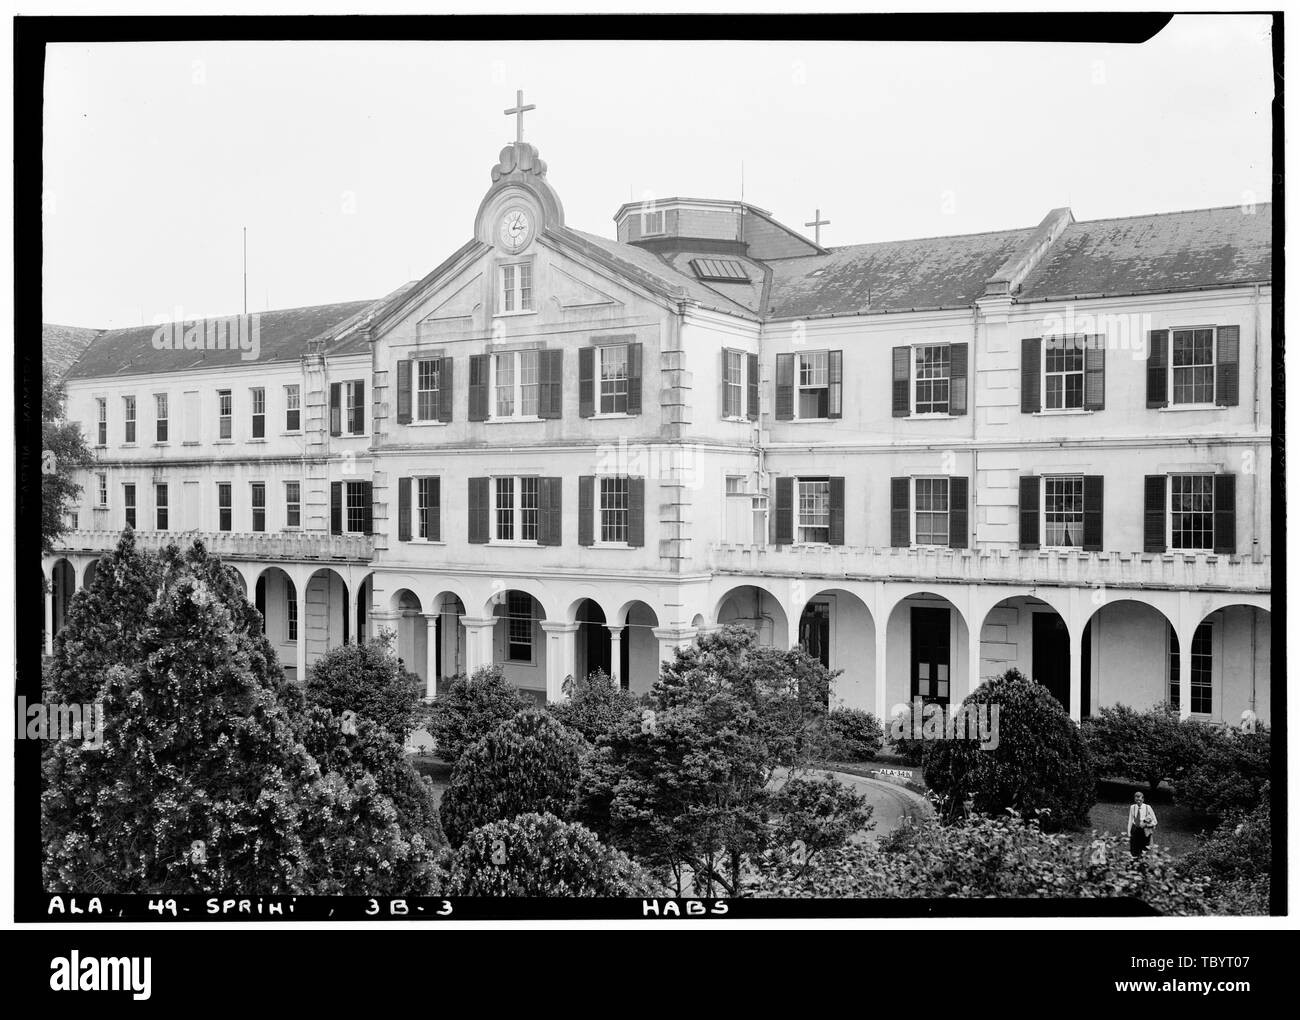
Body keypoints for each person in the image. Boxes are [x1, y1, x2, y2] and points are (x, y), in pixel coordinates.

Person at [1127, 790, 1157, 856]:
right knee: (1134, 848)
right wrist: (1129, 832)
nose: (1138, 801)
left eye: (1140, 799)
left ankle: (1142, 862)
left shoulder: (1147, 807)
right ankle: (1134, 861)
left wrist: (1146, 823)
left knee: (1143, 849)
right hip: (1135, 829)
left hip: (1144, 830)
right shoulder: (1133, 807)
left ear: (1143, 799)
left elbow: (1155, 821)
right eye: (1136, 799)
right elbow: (1130, 820)